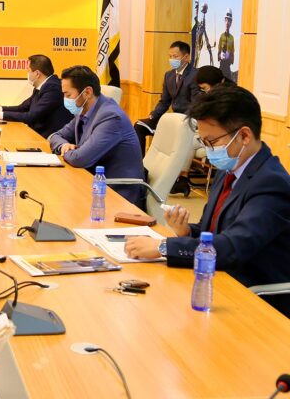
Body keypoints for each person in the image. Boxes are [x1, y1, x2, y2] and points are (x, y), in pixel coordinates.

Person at [125, 85, 290, 317]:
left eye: (212, 142)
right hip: (216, 280)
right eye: (204, 143)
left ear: (244, 136)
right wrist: (186, 231)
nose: (209, 151)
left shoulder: (271, 183)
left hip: (252, 299)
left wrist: (162, 247)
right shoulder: (230, 169)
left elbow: (232, 247)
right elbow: (209, 230)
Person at [48, 66, 145, 206]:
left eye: (68, 95)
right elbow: (55, 136)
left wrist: (68, 152)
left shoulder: (111, 117)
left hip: (117, 193)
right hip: (93, 182)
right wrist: (63, 145)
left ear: (87, 92)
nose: (65, 100)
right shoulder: (83, 111)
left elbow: (80, 159)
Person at [0, 54, 72, 138]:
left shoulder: (53, 87)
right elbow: (22, 108)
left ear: (37, 73)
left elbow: (31, 116)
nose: (27, 74)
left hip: (49, 137)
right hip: (37, 133)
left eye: (28, 71)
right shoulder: (43, 86)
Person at [134, 41, 200, 157]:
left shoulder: (195, 75)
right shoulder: (168, 75)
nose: (172, 59)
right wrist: (154, 114)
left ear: (186, 57)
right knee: (139, 126)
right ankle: (139, 163)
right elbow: (164, 101)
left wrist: (182, 119)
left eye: (175, 56)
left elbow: (196, 104)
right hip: (173, 119)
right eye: (170, 56)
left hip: (188, 120)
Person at [216, 9, 235, 81]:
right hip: (222, 65)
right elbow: (218, 54)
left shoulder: (232, 38)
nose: (227, 22)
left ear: (231, 22)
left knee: (229, 83)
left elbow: (232, 55)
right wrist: (221, 55)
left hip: (228, 65)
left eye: (229, 20)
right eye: (226, 20)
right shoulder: (221, 36)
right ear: (225, 21)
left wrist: (229, 56)